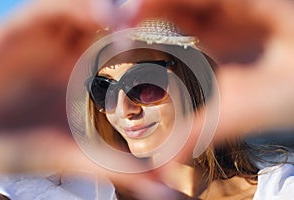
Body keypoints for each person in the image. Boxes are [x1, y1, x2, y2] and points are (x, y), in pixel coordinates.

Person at [75, 18, 284, 200]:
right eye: (103, 88)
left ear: (196, 80)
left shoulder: (279, 192)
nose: (123, 109)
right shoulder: (78, 192)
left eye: (143, 82)